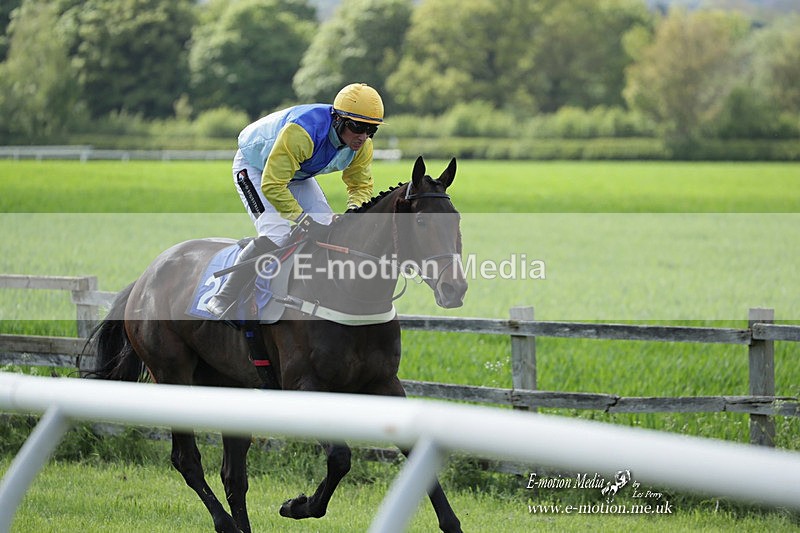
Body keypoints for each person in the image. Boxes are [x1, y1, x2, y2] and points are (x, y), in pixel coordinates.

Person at [205, 83, 384, 318]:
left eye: (371, 130)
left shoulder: (362, 145)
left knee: (330, 228)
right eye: (357, 126)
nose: (363, 136)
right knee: (277, 234)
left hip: (297, 172)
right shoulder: (303, 132)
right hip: (256, 168)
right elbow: (272, 184)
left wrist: (353, 211)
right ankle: (224, 295)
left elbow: (360, 185)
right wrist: (304, 221)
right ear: (338, 119)